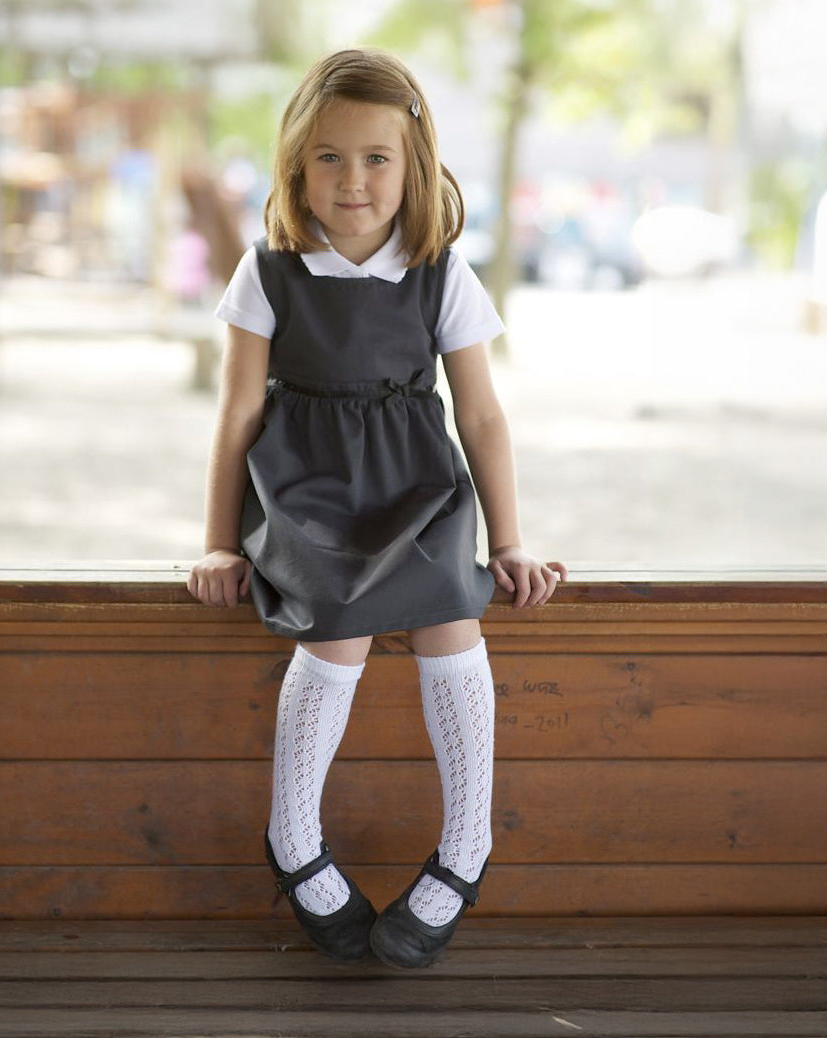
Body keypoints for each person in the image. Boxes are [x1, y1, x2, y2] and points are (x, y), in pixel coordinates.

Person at [186, 47, 567, 969]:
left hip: (418, 490)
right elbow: (237, 412)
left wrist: (508, 539)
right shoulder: (269, 270)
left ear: (416, 163)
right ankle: (293, 837)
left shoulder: (439, 269)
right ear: (295, 166)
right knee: (339, 629)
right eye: (328, 157)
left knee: (454, 618)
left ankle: (467, 846)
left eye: (376, 158)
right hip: (309, 492)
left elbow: (480, 414)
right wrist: (214, 544)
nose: (352, 181)